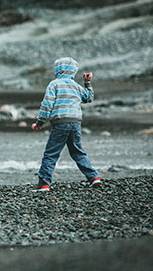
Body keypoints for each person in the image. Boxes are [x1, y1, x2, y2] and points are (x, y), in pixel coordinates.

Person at [31, 57, 101, 192]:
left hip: (60, 123)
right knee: (78, 151)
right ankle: (94, 177)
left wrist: (40, 122)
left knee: (51, 153)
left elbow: (47, 105)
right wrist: (87, 83)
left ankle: (44, 184)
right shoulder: (76, 86)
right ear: (74, 71)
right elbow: (88, 98)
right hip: (75, 123)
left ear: (57, 70)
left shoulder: (54, 84)